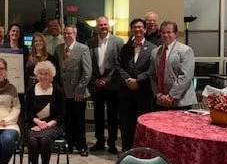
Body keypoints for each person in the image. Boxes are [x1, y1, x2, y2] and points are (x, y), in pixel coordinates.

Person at [23, 60, 65, 164]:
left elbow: (62, 114)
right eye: (40, 73)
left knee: (45, 140)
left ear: (51, 75)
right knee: (33, 140)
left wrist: (48, 124)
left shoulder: (57, 90)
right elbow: (26, 112)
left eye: (46, 73)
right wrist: (37, 121)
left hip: (53, 125)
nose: (43, 76)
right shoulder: (31, 90)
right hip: (34, 124)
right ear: (37, 75)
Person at [87, 15, 123, 154]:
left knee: (113, 115)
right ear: (96, 27)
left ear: (109, 25)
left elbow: (119, 63)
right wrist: (95, 80)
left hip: (112, 85)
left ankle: (112, 142)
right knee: (98, 114)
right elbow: (88, 64)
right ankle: (100, 141)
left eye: (105, 24)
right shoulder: (90, 42)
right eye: (100, 25)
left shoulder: (118, 42)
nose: (103, 27)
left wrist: (107, 79)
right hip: (96, 85)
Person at [116, 18, 154, 152]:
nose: (137, 30)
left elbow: (152, 70)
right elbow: (118, 66)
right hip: (126, 92)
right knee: (126, 122)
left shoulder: (153, 48)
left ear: (145, 29)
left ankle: (142, 150)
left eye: (140, 27)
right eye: (134, 27)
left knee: (143, 123)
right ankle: (126, 150)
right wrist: (128, 80)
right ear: (131, 30)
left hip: (143, 92)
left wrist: (137, 81)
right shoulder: (125, 47)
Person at [55, 25, 91, 156]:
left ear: (75, 34)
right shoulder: (59, 48)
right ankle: (69, 144)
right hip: (63, 91)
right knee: (67, 120)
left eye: (69, 33)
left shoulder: (83, 48)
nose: (66, 35)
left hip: (78, 92)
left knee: (79, 121)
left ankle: (82, 146)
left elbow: (87, 72)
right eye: (65, 33)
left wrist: (80, 89)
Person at [149, 20, 197, 110]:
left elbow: (185, 77)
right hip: (161, 101)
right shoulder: (155, 52)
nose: (165, 35)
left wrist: (171, 96)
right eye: (163, 32)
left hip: (181, 102)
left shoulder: (185, 50)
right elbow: (152, 74)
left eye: (169, 32)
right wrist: (158, 94)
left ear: (176, 34)